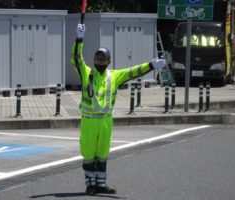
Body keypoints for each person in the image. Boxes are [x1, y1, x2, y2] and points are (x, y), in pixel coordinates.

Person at [71, 23, 166, 195]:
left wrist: (151, 65)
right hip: (89, 121)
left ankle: (101, 184)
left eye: (103, 59)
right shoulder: (86, 73)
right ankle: (90, 185)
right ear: (93, 60)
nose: (99, 61)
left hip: (106, 120)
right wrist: (79, 39)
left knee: (102, 153)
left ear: (109, 62)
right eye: (97, 58)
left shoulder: (114, 75)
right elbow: (76, 57)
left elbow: (133, 72)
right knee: (88, 153)